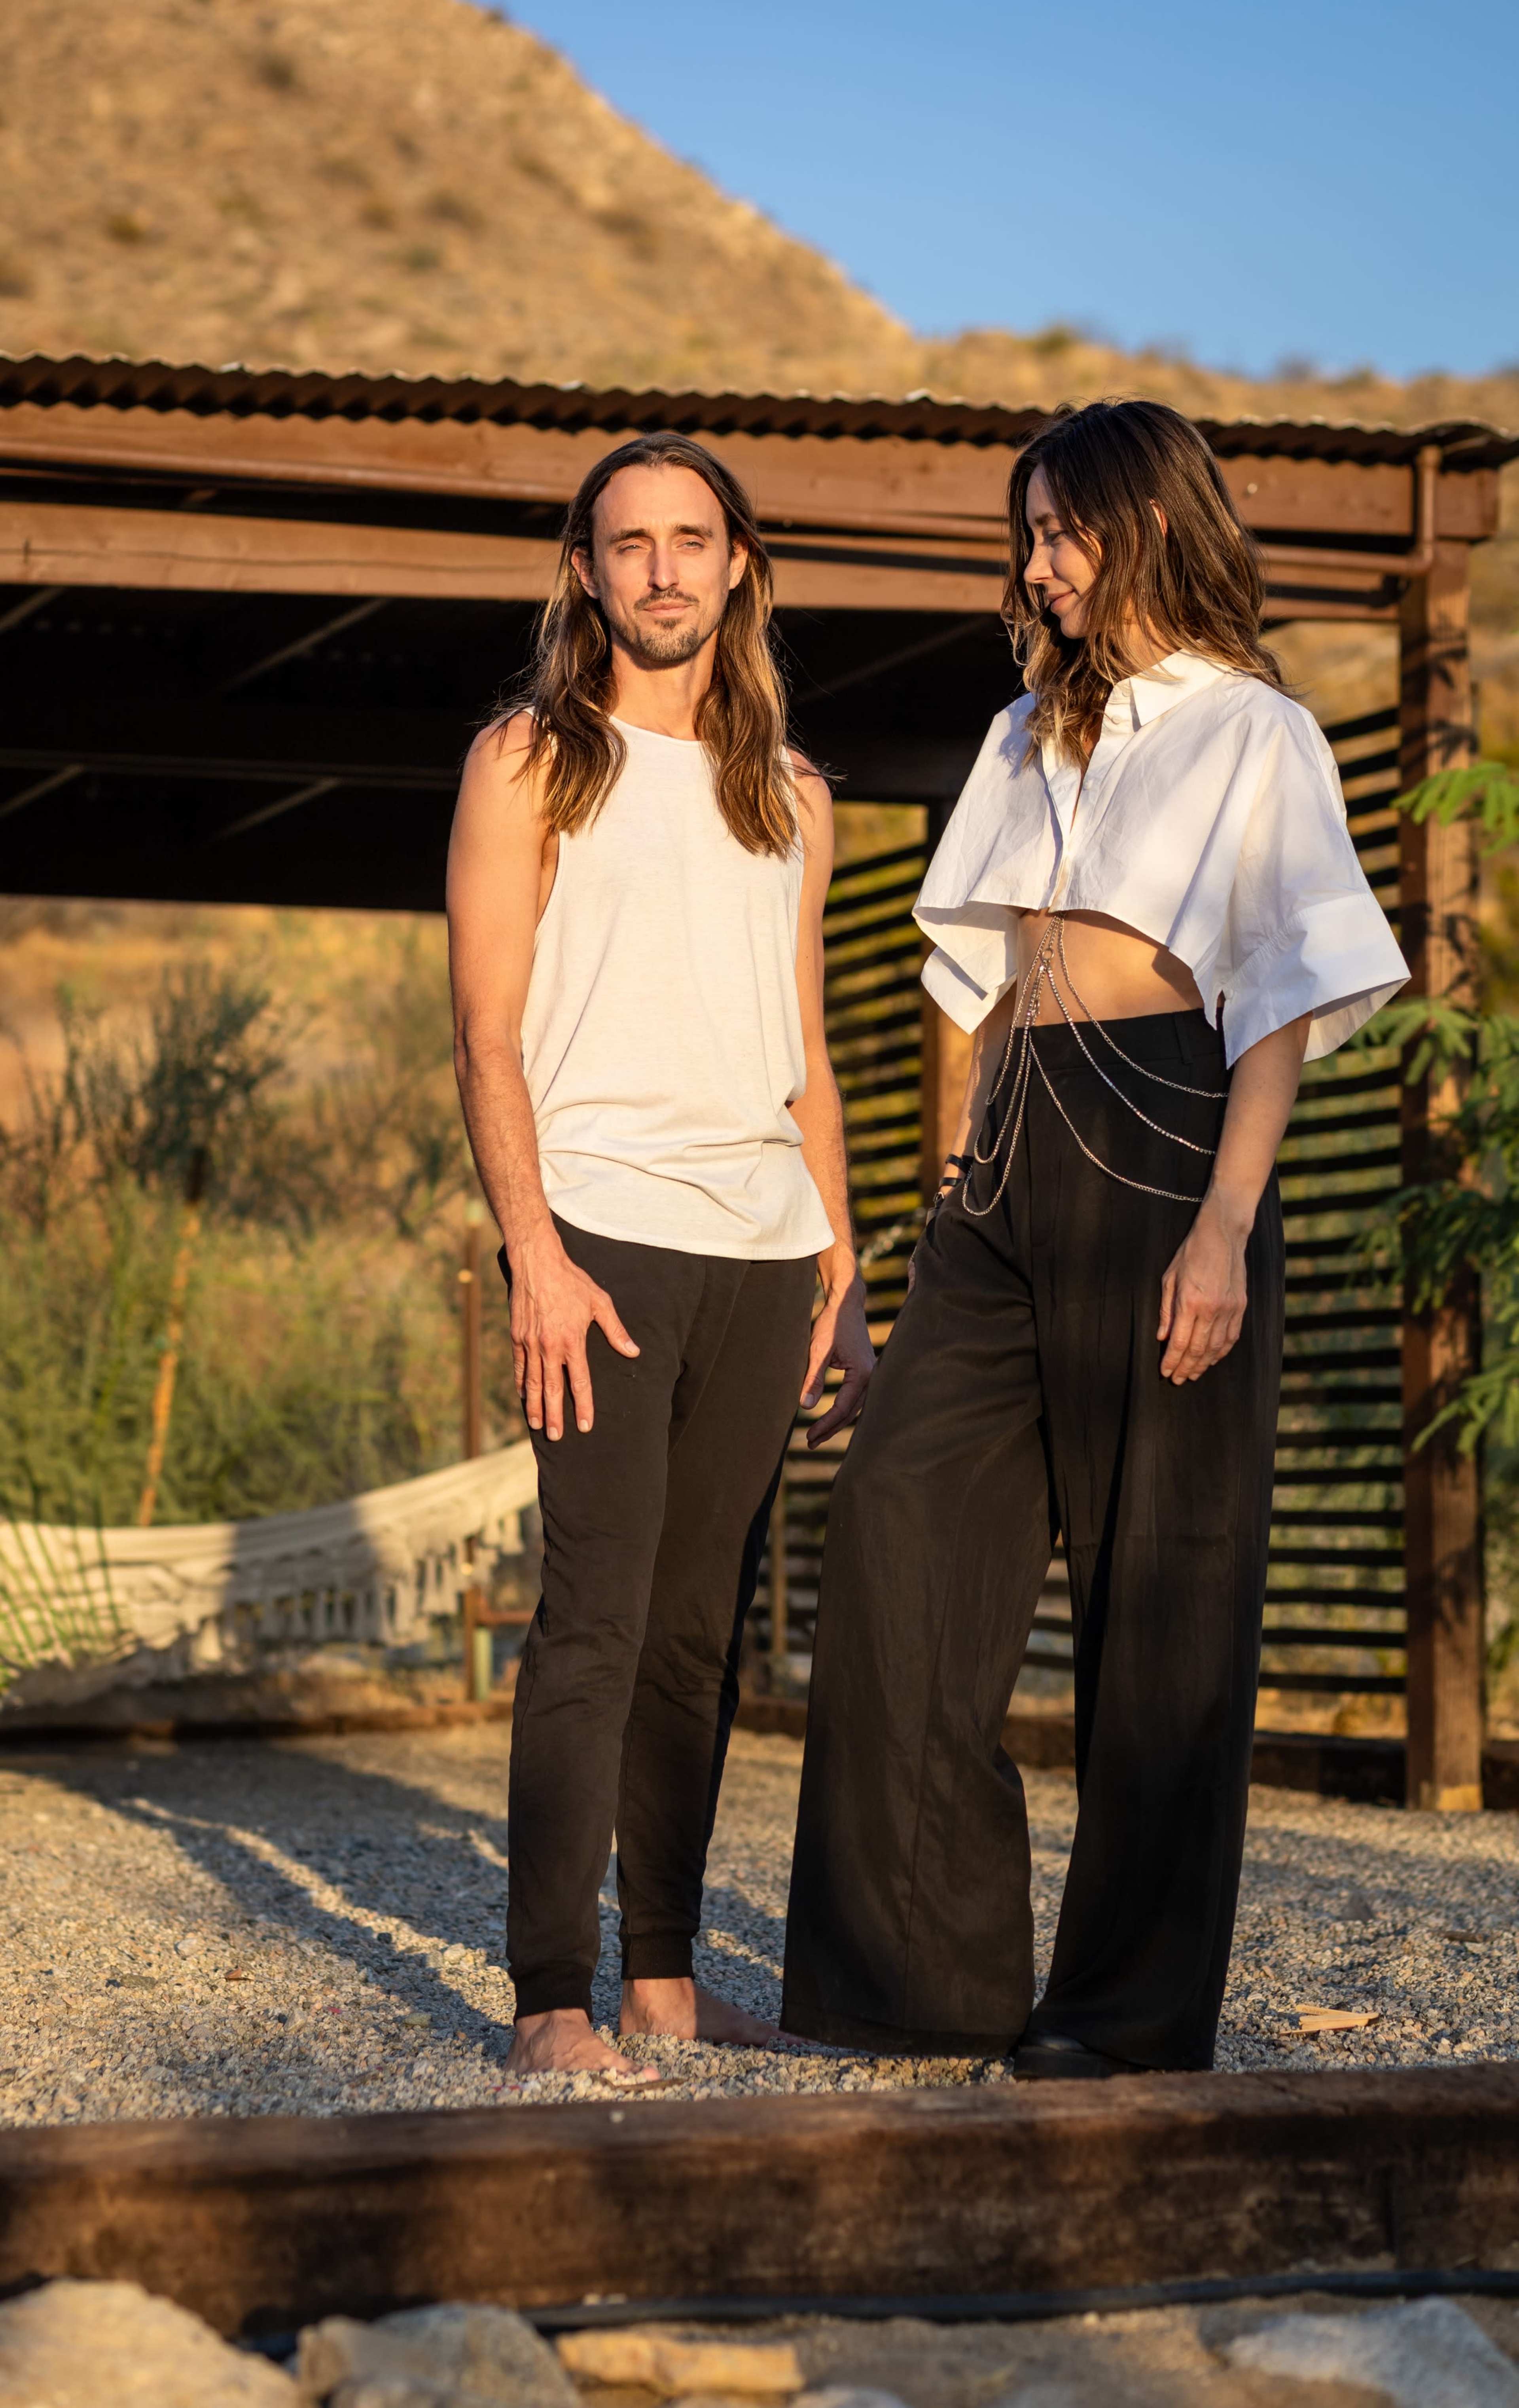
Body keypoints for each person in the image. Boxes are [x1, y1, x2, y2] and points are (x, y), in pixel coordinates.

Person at [781, 398, 1408, 2079]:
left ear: (1148, 524)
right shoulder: (1021, 734)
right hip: (1009, 1148)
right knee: (904, 1536)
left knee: (1165, 1597)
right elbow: (984, 990)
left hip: (1166, 1139)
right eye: (1032, 533)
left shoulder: (1255, 731)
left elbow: (1273, 996)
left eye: (1067, 529)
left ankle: (1124, 2016)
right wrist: (951, 1190)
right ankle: (919, 1986)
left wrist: (1227, 1224)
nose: (1043, 563)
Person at [447, 430, 873, 2083]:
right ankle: (551, 1992)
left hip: (765, 1249)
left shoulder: (797, 796)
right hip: (602, 1237)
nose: (665, 570)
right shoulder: (531, 758)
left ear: (740, 563)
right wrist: (533, 1253)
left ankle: (667, 1981)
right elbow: (487, 1031)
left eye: (693, 540)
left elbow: (806, 1050)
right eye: (631, 544)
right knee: (596, 1618)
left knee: (699, 1634)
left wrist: (840, 1275)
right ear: (587, 571)